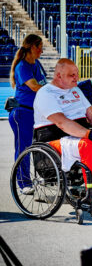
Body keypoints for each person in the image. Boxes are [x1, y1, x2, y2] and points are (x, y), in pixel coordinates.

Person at [33, 59, 92, 216]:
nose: (76, 78)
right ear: (58, 75)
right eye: (71, 75)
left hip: (78, 137)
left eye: (77, 74)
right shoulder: (46, 93)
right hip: (54, 140)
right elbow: (62, 123)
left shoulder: (75, 90)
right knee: (86, 145)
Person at [8, 34, 47, 195]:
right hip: (22, 113)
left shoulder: (36, 64)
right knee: (23, 148)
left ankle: (42, 175)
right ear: (32, 47)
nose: (42, 51)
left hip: (35, 113)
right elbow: (34, 86)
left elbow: (44, 83)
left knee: (38, 146)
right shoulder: (22, 66)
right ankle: (24, 182)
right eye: (40, 47)